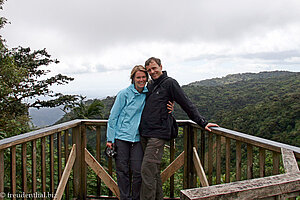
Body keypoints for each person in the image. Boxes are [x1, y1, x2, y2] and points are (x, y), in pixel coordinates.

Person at [139, 57, 219, 200]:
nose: (152, 72)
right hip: (145, 132)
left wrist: (202, 122)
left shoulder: (170, 83)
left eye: (154, 68)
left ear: (161, 66)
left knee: (147, 171)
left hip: (158, 134)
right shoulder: (150, 86)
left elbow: (186, 103)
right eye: (149, 70)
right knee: (153, 172)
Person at [106, 65, 173, 200]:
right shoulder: (124, 94)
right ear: (133, 78)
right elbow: (113, 117)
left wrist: (170, 107)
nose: (141, 80)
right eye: (138, 77)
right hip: (121, 137)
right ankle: (125, 197)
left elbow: (159, 102)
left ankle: (136, 197)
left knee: (138, 171)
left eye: (143, 77)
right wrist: (110, 139)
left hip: (138, 138)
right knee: (122, 170)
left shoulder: (148, 93)